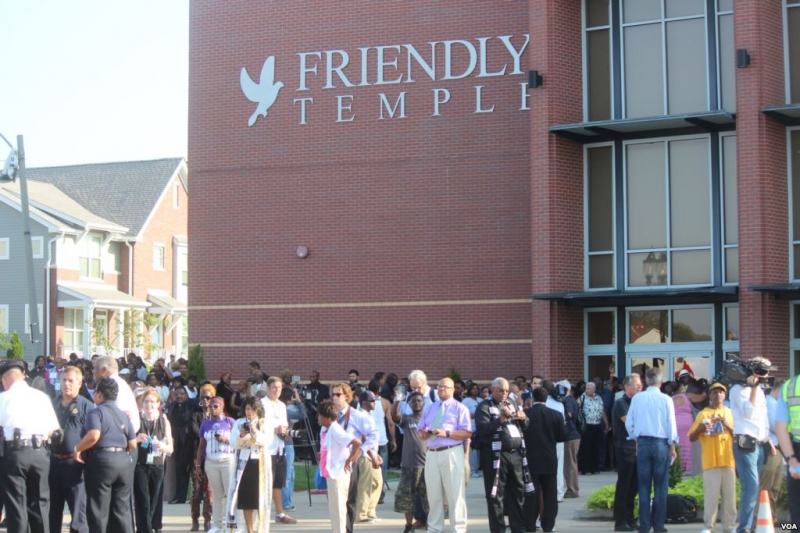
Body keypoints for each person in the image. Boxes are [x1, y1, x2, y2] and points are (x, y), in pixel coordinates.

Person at [0, 359, 61, 532]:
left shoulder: (3, 398)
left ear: (4, 380)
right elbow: (54, 430)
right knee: (40, 504)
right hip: (39, 452)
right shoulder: (41, 397)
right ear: (23, 376)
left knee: (16, 505)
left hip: (14, 453)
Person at [72, 377, 137, 533]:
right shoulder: (123, 414)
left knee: (98, 511)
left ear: (100, 394)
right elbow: (133, 443)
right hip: (123, 462)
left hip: (101, 463)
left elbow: (94, 435)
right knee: (121, 511)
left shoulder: (96, 412)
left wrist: (77, 449)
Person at [475, 377, 532, 533]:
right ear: (492, 390)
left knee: (518, 492)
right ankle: (498, 529)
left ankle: (518, 528)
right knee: (496, 495)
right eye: (501, 390)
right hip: (496, 456)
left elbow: (525, 426)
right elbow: (482, 430)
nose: (504, 393)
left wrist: (524, 419)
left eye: (506, 391)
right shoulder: (484, 406)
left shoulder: (511, 403)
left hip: (515, 454)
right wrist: (500, 419)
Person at [625, 367, 678, 533]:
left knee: (643, 487)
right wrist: (672, 446)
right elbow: (671, 423)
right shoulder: (666, 399)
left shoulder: (637, 398)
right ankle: (659, 525)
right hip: (660, 443)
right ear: (661, 382)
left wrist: (635, 438)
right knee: (661, 486)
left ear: (646, 381)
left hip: (643, 442)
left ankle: (644, 525)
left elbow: (629, 422)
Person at [419, 377, 472, 533]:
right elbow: (421, 430)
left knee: (455, 493)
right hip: (432, 453)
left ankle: (458, 528)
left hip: (451, 451)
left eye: (446, 387)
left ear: (453, 389)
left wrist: (446, 433)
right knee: (433, 493)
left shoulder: (459, 408)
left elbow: (467, 432)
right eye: (440, 386)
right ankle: (434, 528)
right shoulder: (429, 408)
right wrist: (424, 433)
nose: (442, 389)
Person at [729, 356, 774, 533]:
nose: (764, 376)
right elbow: (748, 413)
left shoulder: (760, 391)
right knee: (751, 485)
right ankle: (744, 528)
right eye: (761, 372)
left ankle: (751, 524)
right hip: (745, 444)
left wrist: (768, 439)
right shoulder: (737, 390)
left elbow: (762, 419)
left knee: (755, 486)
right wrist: (754, 388)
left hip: (760, 443)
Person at [330, 382, 379, 533]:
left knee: (349, 499)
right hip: (334, 461)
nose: (335, 397)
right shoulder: (331, 415)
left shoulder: (356, 416)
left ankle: (347, 529)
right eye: (333, 394)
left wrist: (361, 451)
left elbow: (373, 435)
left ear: (347, 396)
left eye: (338, 394)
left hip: (350, 461)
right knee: (336, 499)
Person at [687, 382, 736, 533]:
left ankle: (730, 526)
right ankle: (709, 526)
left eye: (721, 392)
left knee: (730, 497)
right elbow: (692, 437)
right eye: (715, 392)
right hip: (711, 460)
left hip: (728, 459)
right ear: (709, 395)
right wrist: (701, 428)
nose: (718, 394)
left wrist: (728, 425)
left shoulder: (730, 412)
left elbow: (739, 435)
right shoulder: (703, 414)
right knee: (711, 496)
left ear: (725, 395)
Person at [50, 365, 93, 533]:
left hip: (75, 464)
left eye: (70, 381)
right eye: (64, 380)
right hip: (53, 462)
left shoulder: (86, 406)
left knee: (78, 512)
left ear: (79, 383)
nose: (66, 384)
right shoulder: (52, 404)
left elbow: (93, 434)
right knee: (53, 510)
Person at [523, 387, 565, 533]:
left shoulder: (526, 414)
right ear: (546, 399)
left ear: (533, 398)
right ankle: (548, 525)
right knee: (550, 495)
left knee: (531, 494)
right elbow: (561, 436)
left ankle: (530, 525)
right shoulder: (556, 415)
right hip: (549, 458)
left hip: (531, 459)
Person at [229, 396, 273, 533]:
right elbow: (232, 443)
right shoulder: (239, 423)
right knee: (246, 498)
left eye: (253, 409)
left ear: (258, 410)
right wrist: (241, 436)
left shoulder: (264, 423)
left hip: (260, 464)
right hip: (244, 464)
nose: (250, 412)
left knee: (260, 498)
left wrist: (255, 431)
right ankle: (249, 530)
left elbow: (268, 441)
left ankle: (261, 529)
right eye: (248, 409)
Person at [318, 399, 362, 533]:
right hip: (331, 473)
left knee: (338, 509)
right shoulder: (327, 429)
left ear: (327, 417)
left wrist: (350, 459)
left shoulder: (335, 429)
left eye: (320, 415)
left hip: (338, 474)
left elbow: (356, 442)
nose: (318, 418)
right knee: (334, 509)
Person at [134, 388, 174, 533]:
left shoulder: (163, 421)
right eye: (146, 401)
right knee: (143, 500)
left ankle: (147, 528)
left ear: (158, 403)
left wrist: (162, 446)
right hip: (140, 465)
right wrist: (137, 439)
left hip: (157, 465)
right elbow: (128, 442)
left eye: (152, 402)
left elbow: (171, 448)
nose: (149, 405)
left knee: (154, 501)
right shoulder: (137, 420)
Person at [261, 376, 298, 525]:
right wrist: (274, 430)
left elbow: (284, 425)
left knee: (278, 482)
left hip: (280, 448)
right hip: (266, 449)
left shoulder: (282, 405)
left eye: (280, 387)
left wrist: (287, 432)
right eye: (274, 387)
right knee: (265, 483)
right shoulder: (262, 404)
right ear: (268, 388)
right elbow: (257, 425)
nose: (277, 390)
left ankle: (279, 513)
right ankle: (262, 514)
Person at [391, 391, 429, 533]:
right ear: (409, 404)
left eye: (419, 400)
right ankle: (409, 525)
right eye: (413, 401)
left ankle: (432, 524)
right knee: (407, 497)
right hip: (409, 465)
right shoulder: (407, 419)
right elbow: (394, 415)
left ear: (423, 403)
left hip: (427, 466)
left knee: (429, 497)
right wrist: (398, 400)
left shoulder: (429, 419)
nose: (416, 403)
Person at [197, 396, 235, 533]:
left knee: (230, 493)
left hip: (227, 461)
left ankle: (231, 524)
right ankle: (217, 525)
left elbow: (238, 441)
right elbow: (201, 446)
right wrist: (198, 466)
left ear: (222, 407)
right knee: (217, 495)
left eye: (215, 406)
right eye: (210, 406)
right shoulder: (205, 424)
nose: (212, 409)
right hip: (211, 462)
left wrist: (226, 439)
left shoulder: (230, 422)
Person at [612, 374, 642, 532]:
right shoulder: (621, 403)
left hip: (637, 448)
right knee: (624, 484)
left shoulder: (638, 402)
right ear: (626, 386)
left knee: (634, 486)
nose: (639, 387)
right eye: (636, 384)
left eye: (640, 384)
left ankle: (630, 518)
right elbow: (629, 422)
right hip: (625, 447)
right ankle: (620, 521)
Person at [355, 390, 383, 523]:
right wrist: (373, 455)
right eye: (372, 401)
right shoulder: (360, 415)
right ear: (364, 402)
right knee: (365, 485)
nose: (374, 403)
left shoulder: (368, 415)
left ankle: (370, 511)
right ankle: (361, 514)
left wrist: (376, 454)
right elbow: (364, 436)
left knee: (377, 482)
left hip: (372, 454)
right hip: (364, 455)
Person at [775, 373, 800, 525]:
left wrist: (791, 461)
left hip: (796, 453)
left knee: (796, 512)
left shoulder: (790, 386)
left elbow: (780, 427)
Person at [191, 384, 215, 531]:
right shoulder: (195, 414)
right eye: (203, 398)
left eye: (208, 398)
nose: (205, 401)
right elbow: (195, 432)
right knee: (196, 489)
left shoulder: (217, 416)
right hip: (197, 456)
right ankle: (195, 520)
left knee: (209, 490)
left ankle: (207, 519)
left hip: (211, 456)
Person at [167, 386, 195, 504]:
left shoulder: (192, 404)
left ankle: (198, 497)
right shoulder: (172, 406)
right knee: (179, 469)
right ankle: (180, 496)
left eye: (182, 394)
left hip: (190, 441)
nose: (179, 396)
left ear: (186, 395)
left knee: (192, 469)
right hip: (177, 441)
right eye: (177, 394)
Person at [281, 386, 307, 511]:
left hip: (288, 443)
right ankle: (285, 502)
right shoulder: (284, 411)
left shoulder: (285, 409)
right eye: (292, 397)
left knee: (290, 473)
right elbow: (303, 415)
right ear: (289, 398)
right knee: (287, 474)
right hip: (286, 444)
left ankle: (287, 501)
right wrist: (299, 402)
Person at [542, 379, 566, 501]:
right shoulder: (559, 404)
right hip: (558, 438)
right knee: (559, 466)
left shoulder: (543, 403)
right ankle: (559, 493)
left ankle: (547, 493)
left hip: (545, 438)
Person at [578, 381, 609, 475]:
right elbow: (577, 408)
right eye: (586, 388)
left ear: (594, 390)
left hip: (597, 424)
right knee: (586, 447)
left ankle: (594, 468)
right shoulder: (582, 397)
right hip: (587, 425)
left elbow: (602, 411)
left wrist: (606, 423)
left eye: (589, 389)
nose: (587, 390)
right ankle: (585, 468)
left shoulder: (598, 398)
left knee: (596, 447)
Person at [559, 379, 581, 499]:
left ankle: (572, 489)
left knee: (570, 463)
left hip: (570, 435)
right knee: (570, 463)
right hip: (573, 435)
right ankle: (572, 488)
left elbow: (569, 414)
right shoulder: (571, 399)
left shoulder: (568, 400)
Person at [672, 370, 695, 472]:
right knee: (688, 446)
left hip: (676, 425)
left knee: (678, 445)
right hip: (688, 424)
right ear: (680, 387)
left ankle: (679, 468)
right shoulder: (687, 397)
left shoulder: (670, 399)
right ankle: (688, 468)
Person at [461, 383, 482, 479]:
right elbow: (463, 415)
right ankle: (472, 470)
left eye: (476, 388)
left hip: (479, 428)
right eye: (473, 388)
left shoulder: (480, 400)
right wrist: (476, 415)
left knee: (478, 450)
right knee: (472, 450)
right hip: (470, 428)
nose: (475, 390)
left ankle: (476, 469)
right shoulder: (466, 401)